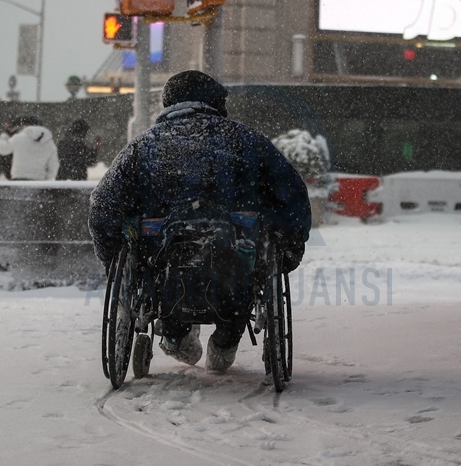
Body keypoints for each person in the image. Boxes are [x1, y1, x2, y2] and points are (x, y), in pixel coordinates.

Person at [89, 70, 311, 373]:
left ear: (169, 103)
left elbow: (103, 204)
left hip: (164, 263)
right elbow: (293, 195)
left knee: (162, 269)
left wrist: (112, 254)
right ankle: (226, 340)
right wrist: (289, 248)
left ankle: (176, 335)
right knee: (240, 273)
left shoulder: (143, 147)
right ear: (216, 103)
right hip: (235, 263)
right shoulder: (247, 140)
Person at [0, 115, 59, 181]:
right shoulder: (49, 143)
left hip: (19, 178)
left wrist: (6, 133)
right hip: (38, 180)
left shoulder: (18, 138)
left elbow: (2, 149)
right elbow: (54, 165)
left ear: (26, 125)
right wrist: (48, 179)